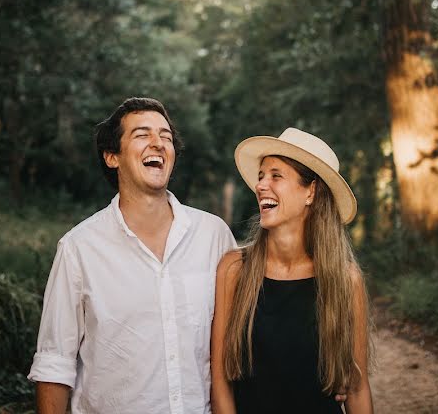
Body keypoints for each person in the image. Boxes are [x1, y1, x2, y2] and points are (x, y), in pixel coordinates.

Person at [29, 97, 237, 414]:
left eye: (165, 137)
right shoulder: (79, 248)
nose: (157, 144)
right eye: (142, 135)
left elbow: (244, 337)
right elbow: (54, 364)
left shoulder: (214, 236)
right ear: (112, 156)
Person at [210, 128, 374, 414]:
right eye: (261, 176)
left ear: (310, 191)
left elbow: (357, 389)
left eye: (276, 175)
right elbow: (221, 380)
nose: (261, 185)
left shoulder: (345, 280)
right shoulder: (234, 270)